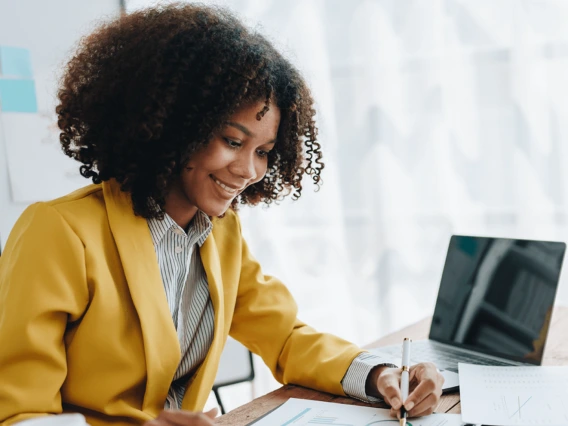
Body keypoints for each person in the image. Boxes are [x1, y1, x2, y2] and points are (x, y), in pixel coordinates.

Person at [0, 4, 444, 426]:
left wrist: (381, 374)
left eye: (264, 152)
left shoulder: (219, 233)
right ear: (175, 125)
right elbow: (16, 413)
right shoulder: (61, 232)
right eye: (233, 141)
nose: (249, 171)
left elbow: (285, 337)